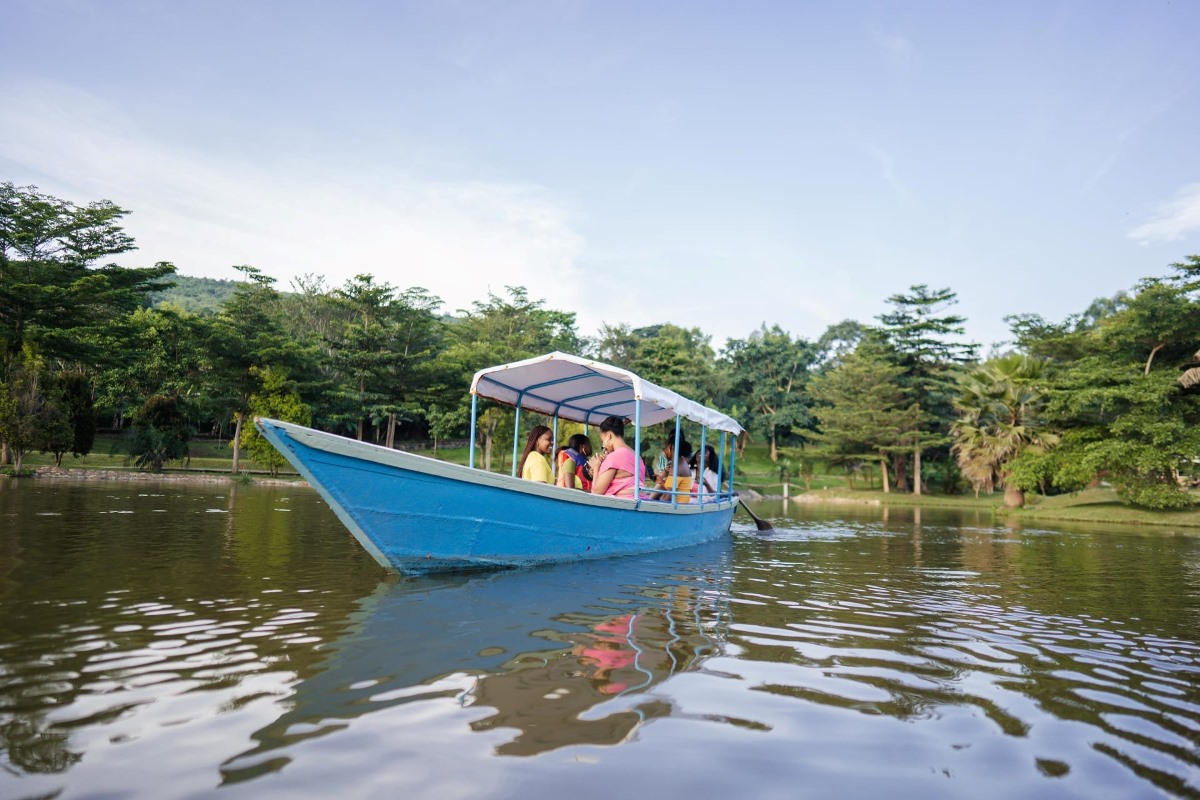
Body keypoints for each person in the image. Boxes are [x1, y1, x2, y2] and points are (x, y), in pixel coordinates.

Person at [588, 416, 646, 498]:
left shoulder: (614, 456)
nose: (603, 445)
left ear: (608, 435)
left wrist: (596, 467)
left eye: (603, 440)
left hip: (623, 504)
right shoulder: (638, 457)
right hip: (642, 501)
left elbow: (596, 492)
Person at [648, 437, 693, 502]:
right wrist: (661, 481)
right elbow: (671, 489)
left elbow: (667, 498)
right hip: (681, 503)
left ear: (671, 448)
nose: (663, 450)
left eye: (665, 447)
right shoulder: (681, 462)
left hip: (678, 506)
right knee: (660, 485)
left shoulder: (676, 467)